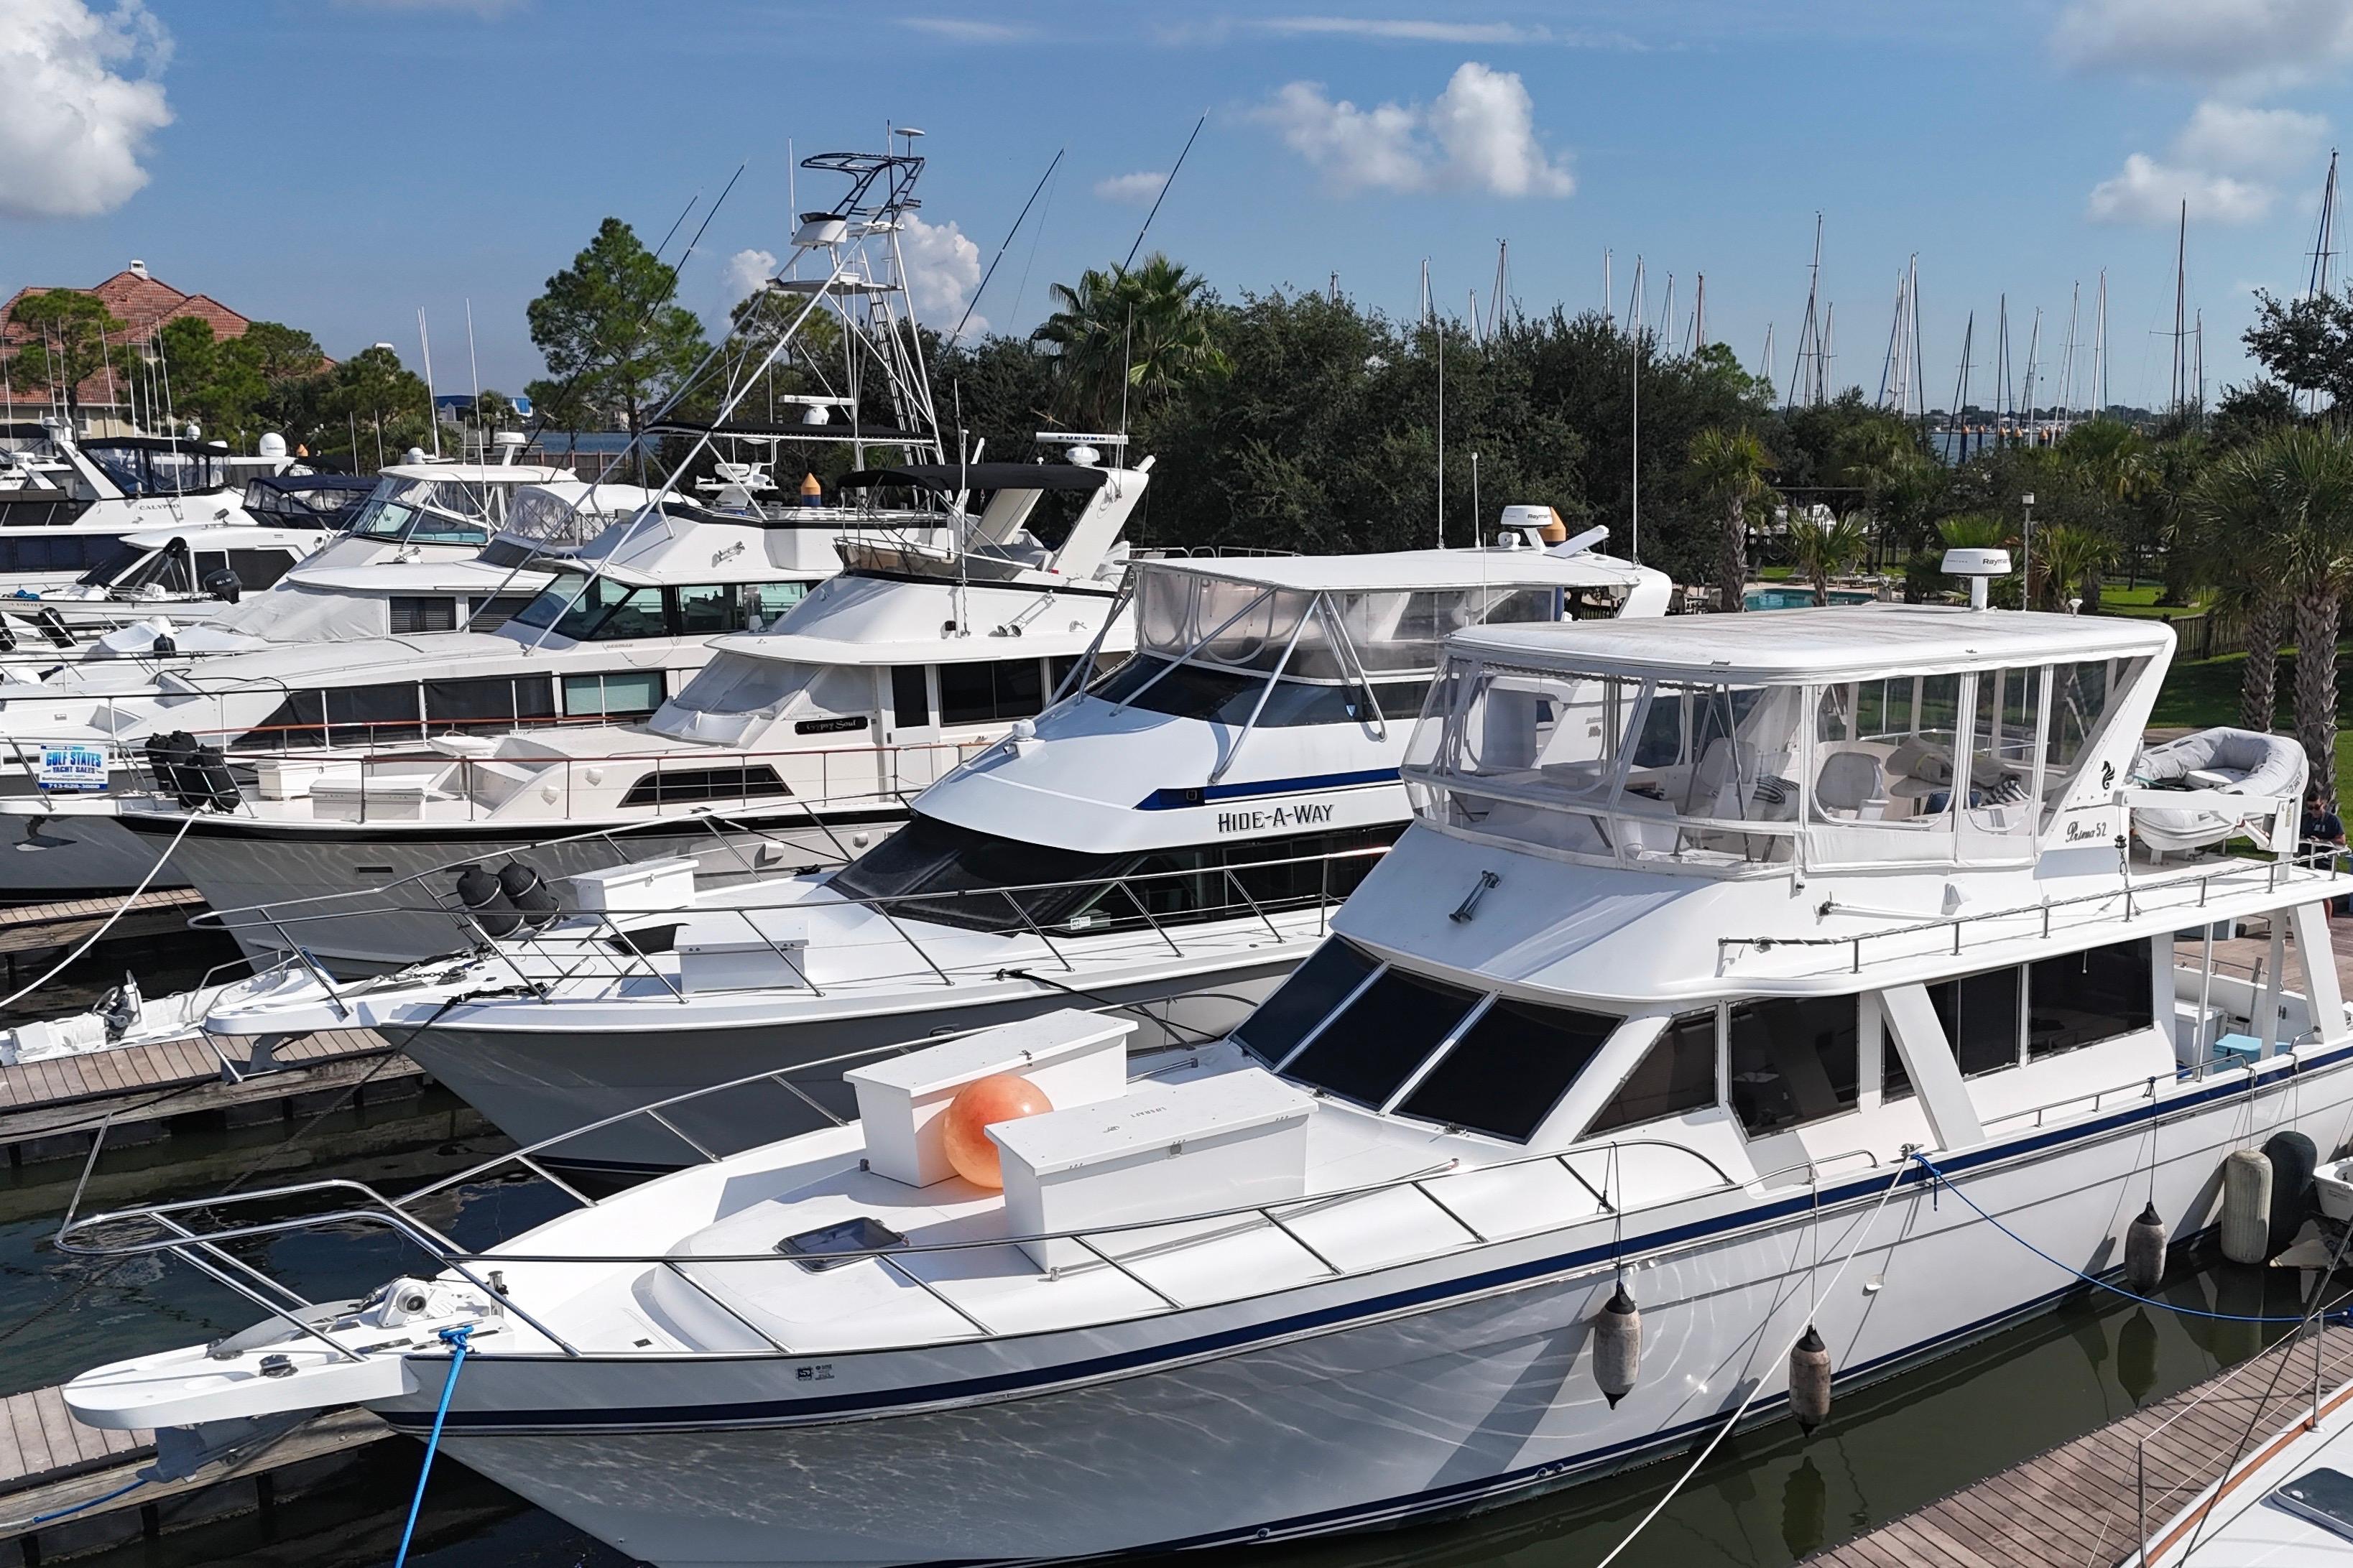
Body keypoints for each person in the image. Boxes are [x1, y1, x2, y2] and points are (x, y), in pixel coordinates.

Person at [2302, 788, 2349, 915]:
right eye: (2310, 808)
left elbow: (2342, 840)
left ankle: (2326, 927)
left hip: (2324, 861)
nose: (2314, 811)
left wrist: (2321, 841)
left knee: (2324, 895)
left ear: (2324, 804)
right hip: (2306, 859)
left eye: (2316, 807)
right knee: (2304, 894)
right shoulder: (2306, 819)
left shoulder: (2332, 820)